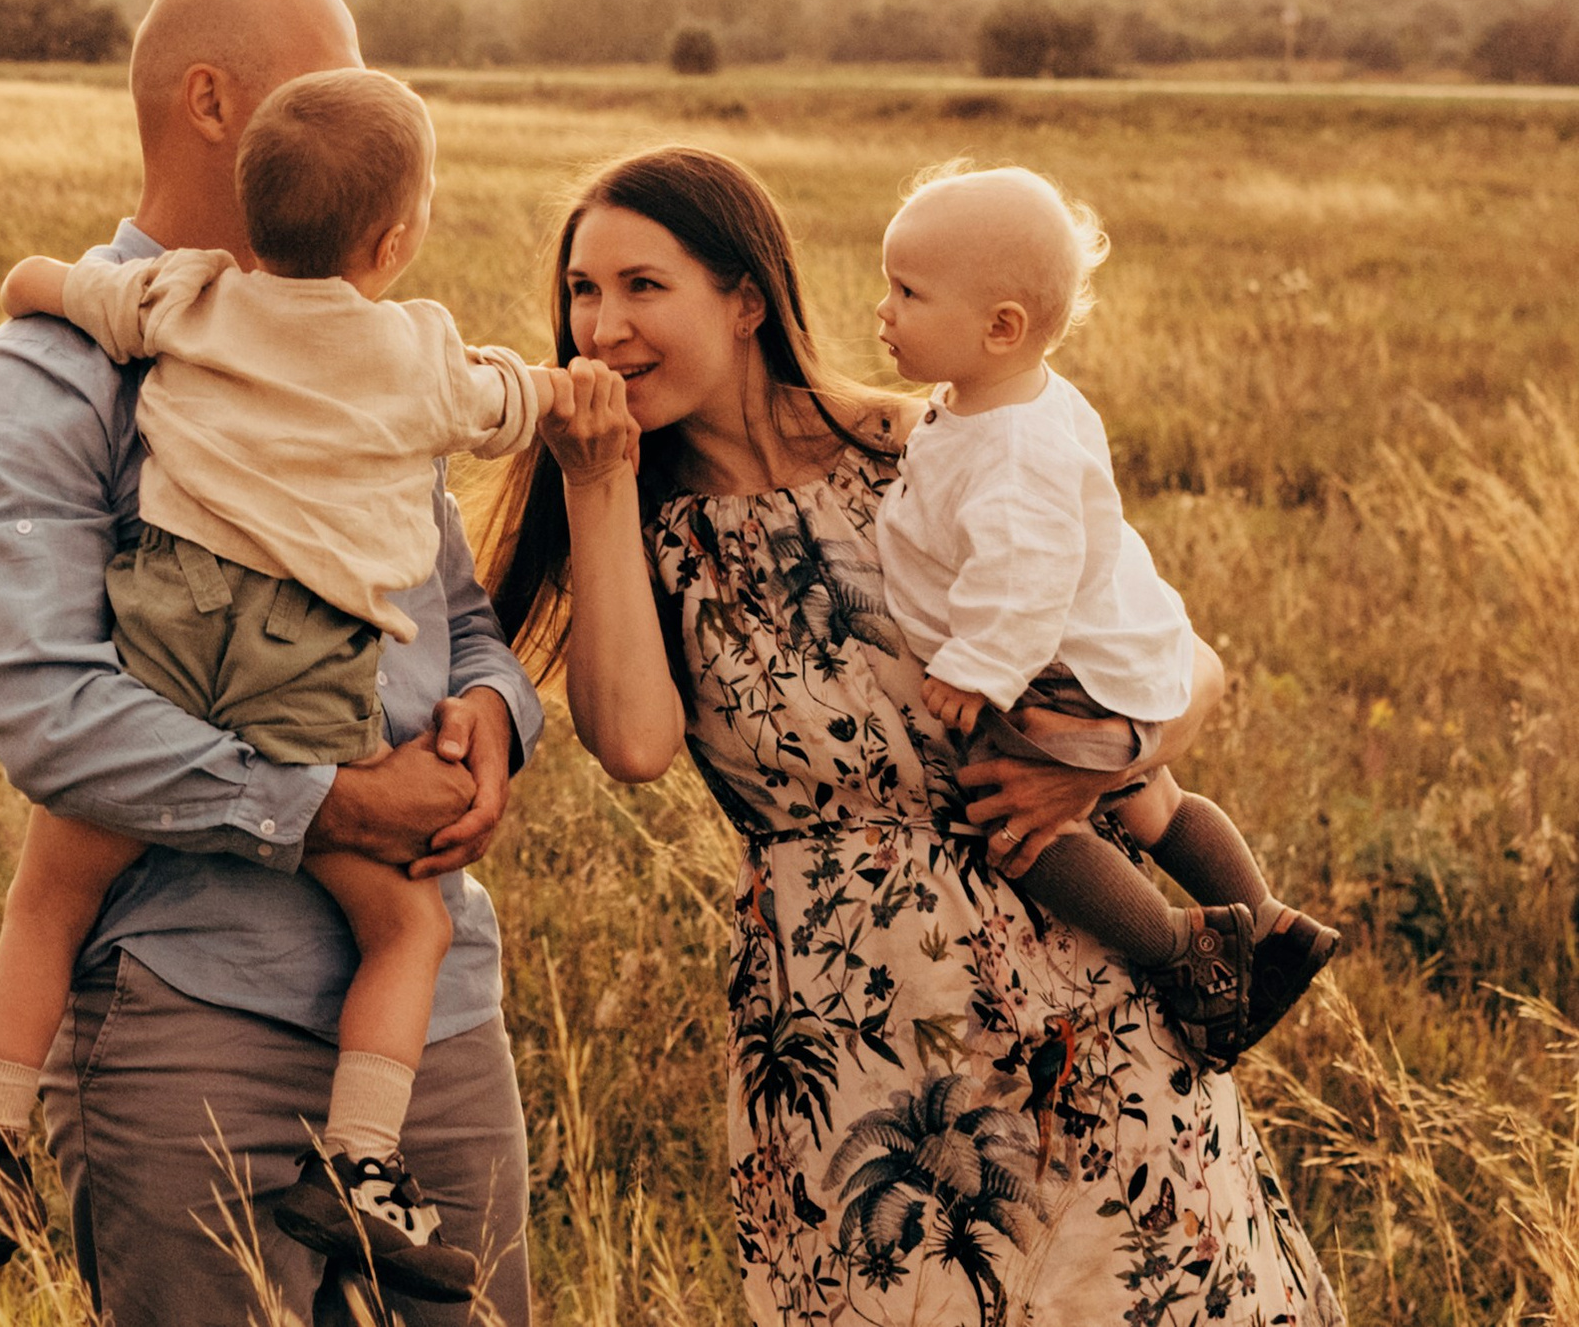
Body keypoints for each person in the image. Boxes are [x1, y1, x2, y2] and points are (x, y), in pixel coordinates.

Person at [489, 145, 1343, 1325]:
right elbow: (633, 744)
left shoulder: (928, 444)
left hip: (1074, 985)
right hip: (855, 1037)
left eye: (641, 286)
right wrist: (594, 482)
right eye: (582, 292)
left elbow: (1179, 657)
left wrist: (1094, 764)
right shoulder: (641, 528)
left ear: (744, 300)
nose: (601, 326)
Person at [0, 0, 542, 1327]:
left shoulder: (366, 355)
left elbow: (453, 605)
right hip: (191, 1024)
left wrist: (496, 717)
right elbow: (48, 711)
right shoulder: (45, 374)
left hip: (431, 1032)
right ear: (213, 103)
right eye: (329, 88)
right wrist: (329, 799)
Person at [872, 162, 1337, 1065]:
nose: (882, 311)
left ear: (1000, 326)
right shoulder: (1006, 397)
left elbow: (1027, 576)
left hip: (1054, 672)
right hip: (1105, 654)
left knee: (1021, 828)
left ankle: (1180, 951)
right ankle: (1273, 924)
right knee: (1152, 800)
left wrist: (977, 669)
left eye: (907, 292)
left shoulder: (1011, 450)